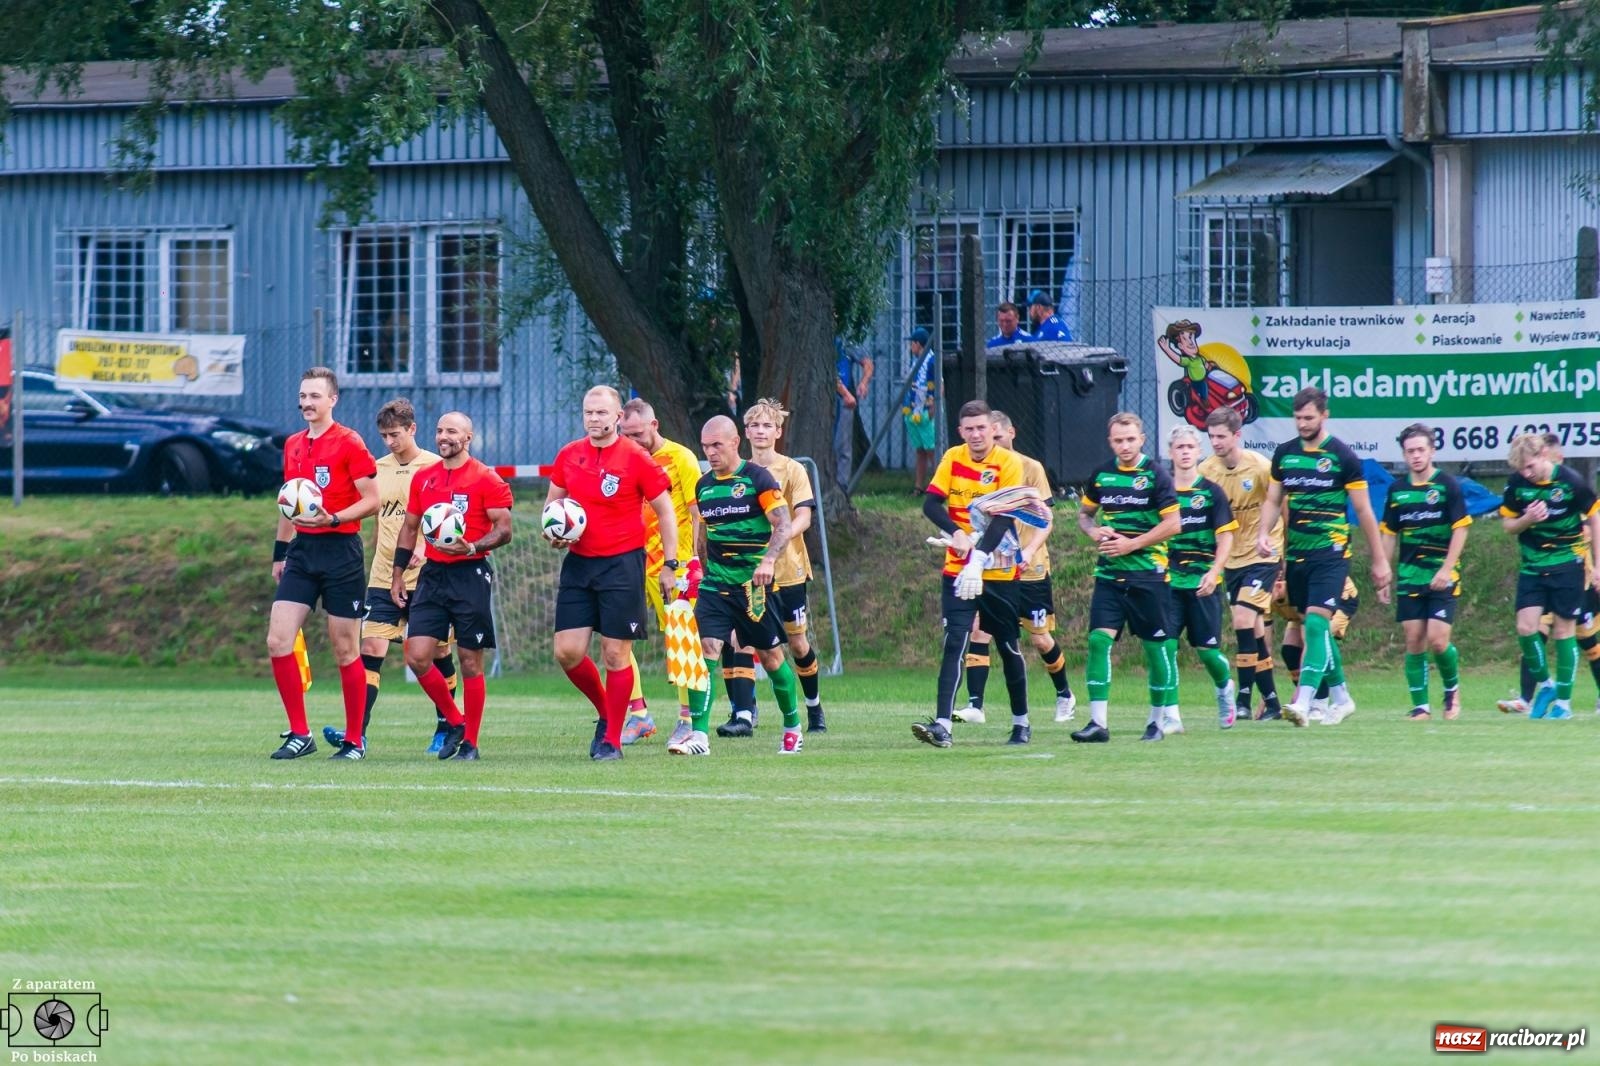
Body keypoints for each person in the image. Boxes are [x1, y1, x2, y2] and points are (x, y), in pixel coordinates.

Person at [546, 386, 678, 762]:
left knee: (616, 655)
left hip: (622, 564)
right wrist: (553, 531)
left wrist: (670, 564)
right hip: (579, 563)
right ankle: (608, 713)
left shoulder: (636, 457)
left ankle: (612, 741)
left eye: (602, 413)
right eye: (589, 412)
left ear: (618, 417)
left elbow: (666, 511)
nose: (594, 419)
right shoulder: (569, 455)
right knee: (567, 652)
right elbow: (552, 506)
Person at [322, 398, 459, 753]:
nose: (389, 442)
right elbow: (372, 512)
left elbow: (448, 521)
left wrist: (424, 550)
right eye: (383, 435)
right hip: (384, 575)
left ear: (412, 429)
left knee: (437, 653)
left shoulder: (435, 466)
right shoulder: (377, 469)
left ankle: (446, 724)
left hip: (430, 577)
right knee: (370, 648)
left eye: (395, 434)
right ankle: (358, 733)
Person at [1255, 386, 1392, 727]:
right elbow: (1273, 500)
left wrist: (1379, 560)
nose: (1302, 424)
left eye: (1309, 418)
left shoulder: (1343, 457)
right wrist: (1262, 533)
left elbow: (1363, 512)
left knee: (1316, 623)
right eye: (1298, 418)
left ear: (1324, 415)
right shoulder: (1284, 454)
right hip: (1297, 555)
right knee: (1312, 630)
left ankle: (1304, 700)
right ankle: (1342, 696)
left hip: (1331, 555)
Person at [669, 416, 803, 756]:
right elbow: (704, 533)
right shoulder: (704, 486)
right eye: (705, 447)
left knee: (772, 658)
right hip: (716, 585)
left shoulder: (758, 478)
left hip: (753, 589)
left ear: (734, 443)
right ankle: (699, 735)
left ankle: (792, 725)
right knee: (705, 652)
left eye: (716, 445)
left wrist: (769, 560)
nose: (710, 453)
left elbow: (783, 525)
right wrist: (697, 567)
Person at [267, 366, 380, 760]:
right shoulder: (293, 444)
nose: (306, 403)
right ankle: (300, 733)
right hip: (302, 552)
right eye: (302, 396)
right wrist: (281, 553)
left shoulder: (350, 442)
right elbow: (288, 501)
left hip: (341, 552)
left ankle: (354, 739)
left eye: (314, 396)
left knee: (344, 649)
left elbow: (372, 499)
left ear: (333, 399)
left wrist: (333, 517)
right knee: (278, 641)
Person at [388, 413, 513, 761]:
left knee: (470, 661)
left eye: (452, 431)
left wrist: (472, 546)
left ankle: (470, 743)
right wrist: (397, 576)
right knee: (416, 654)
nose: (443, 436)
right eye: (440, 430)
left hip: (470, 574)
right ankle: (455, 721)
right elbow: (410, 528)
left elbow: (505, 530)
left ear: (468, 437)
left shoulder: (487, 478)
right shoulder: (424, 478)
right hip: (433, 575)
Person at [914, 399, 1031, 748]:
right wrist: (956, 532)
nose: (977, 434)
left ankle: (1021, 723)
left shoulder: (1009, 463)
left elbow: (1005, 518)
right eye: (970, 429)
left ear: (993, 429)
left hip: (998, 570)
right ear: (961, 431)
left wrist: (979, 558)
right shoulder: (953, 457)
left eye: (982, 428)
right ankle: (942, 725)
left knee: (1008, 646)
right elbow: (931, 503)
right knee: (955, 643)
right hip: (957, 568)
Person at [957, 410, 1077, 728]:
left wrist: (1028, 551)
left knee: (1040, 639)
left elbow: (1046, 520)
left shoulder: (1030, 468)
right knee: (979, 627)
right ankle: (975, 705)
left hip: (1031, 568)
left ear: (1011, 433)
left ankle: (1064, 693)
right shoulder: (983, 470)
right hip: (995, 568)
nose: (991, 442)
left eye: (997, 436)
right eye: (988, 436)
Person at [1073, 412, 1182, 743]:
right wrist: (1094, 531)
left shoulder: (1156, 476)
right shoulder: (1103, 475)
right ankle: (1098, 724)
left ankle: (1156, 722)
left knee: (1155, 648)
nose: (1125, 445)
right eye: (1118, 440)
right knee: (1097, 641)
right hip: (1109, 575)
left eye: (1130, 439)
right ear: (1110, 441)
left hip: (1148, 575)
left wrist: (1131, 543)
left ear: (1142, 439)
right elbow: (1084, 515)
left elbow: (1174, 524)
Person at [617, 398, 705, 747]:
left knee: (681, 641)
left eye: (638, 433)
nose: (633, 440)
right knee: (617, 638)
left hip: (674, 564)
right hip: (628, 562)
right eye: (627, 434)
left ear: (654, 426)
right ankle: (639, 715)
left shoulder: (680, 458)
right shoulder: (621, 458)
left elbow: (697, 511)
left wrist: (695, 559)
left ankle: (687, 718)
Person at [740, 397, 829, 733]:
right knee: (753, 643)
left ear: (778, 431)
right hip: (749, 571)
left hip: (788, 570)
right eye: (755, 425)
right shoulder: (741, 473)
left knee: (797, 643)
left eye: (768, 425)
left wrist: (779, 538)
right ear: (746, 431)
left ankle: (814, 707)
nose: (761, 431)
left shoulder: (793, 469)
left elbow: (804, 516)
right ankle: (745, 713)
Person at [1499, 431, 1600, 719]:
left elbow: (1594, 515)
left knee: (1564, 631)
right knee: (1525, 628)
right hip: (1532, 566)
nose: (1526, 474)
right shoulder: (1517, 484)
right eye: (1522, 469)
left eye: (1530, 466)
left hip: (1568, 565)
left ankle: (1564, 705)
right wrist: (1526, 519)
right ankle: (1546, 685)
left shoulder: (1570, 481)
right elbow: (1508, 525)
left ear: (1544, 454)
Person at [1379, 423, 1471, 720]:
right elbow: (1390, 533)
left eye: (1421, 450)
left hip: (1442, 576)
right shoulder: (1398, 490)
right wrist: (1383, 571)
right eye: (1410, 451)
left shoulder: (1447, 485)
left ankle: (1451, 691)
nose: (1416, 456)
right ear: (1404, 455)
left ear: (1432, 450)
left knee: (1438, 639)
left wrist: (1447, 568)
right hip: (1410, 576)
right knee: (1414, 638)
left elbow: (1461, 529)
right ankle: (1421, 706)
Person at [1199, 406, 1284, 721]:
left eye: (1221, 436)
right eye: (1211, 437)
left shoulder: (1261, 468)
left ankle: (1244, 698)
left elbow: (1280, 506)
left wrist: (1283, 557)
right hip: (1231, 560)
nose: (1216, 442)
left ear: (1237, 435)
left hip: (1263, 555)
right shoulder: (1207, 471)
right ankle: (1272, 701)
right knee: (1254, 629)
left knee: (1243, 621)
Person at [1167, 424, 1241, 729]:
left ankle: (1224, 689)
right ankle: (1170, 715)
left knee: (1208, 651)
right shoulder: (1162, 491)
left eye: (1190, 447)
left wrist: (1214, 571)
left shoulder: (1211, 493)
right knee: (1165, 647)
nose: (1185, 453)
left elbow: (1225, 537)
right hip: (1168, 582)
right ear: (1170, 453)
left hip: (1202, 583)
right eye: (1179, 448)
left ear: (1199, 452)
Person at [833, 338, 874, 487]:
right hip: (830, 397)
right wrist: (845, 393)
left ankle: (841, 486)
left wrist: (863, 382)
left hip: (844, 400)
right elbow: (830, 373)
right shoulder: (821, 339)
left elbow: (868, 363)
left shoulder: (846, 342)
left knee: (843, 447)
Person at [902, 327, 939, 494]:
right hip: (913, 410)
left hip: (926, 410)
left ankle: (939, 486)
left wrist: (933, 406)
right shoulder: (915, 361)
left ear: (918, 344)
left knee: (932, 449)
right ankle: (919, 486)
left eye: (912, 343)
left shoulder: (931, 361)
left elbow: (940, 385)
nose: (911, 347)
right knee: (920, 450)